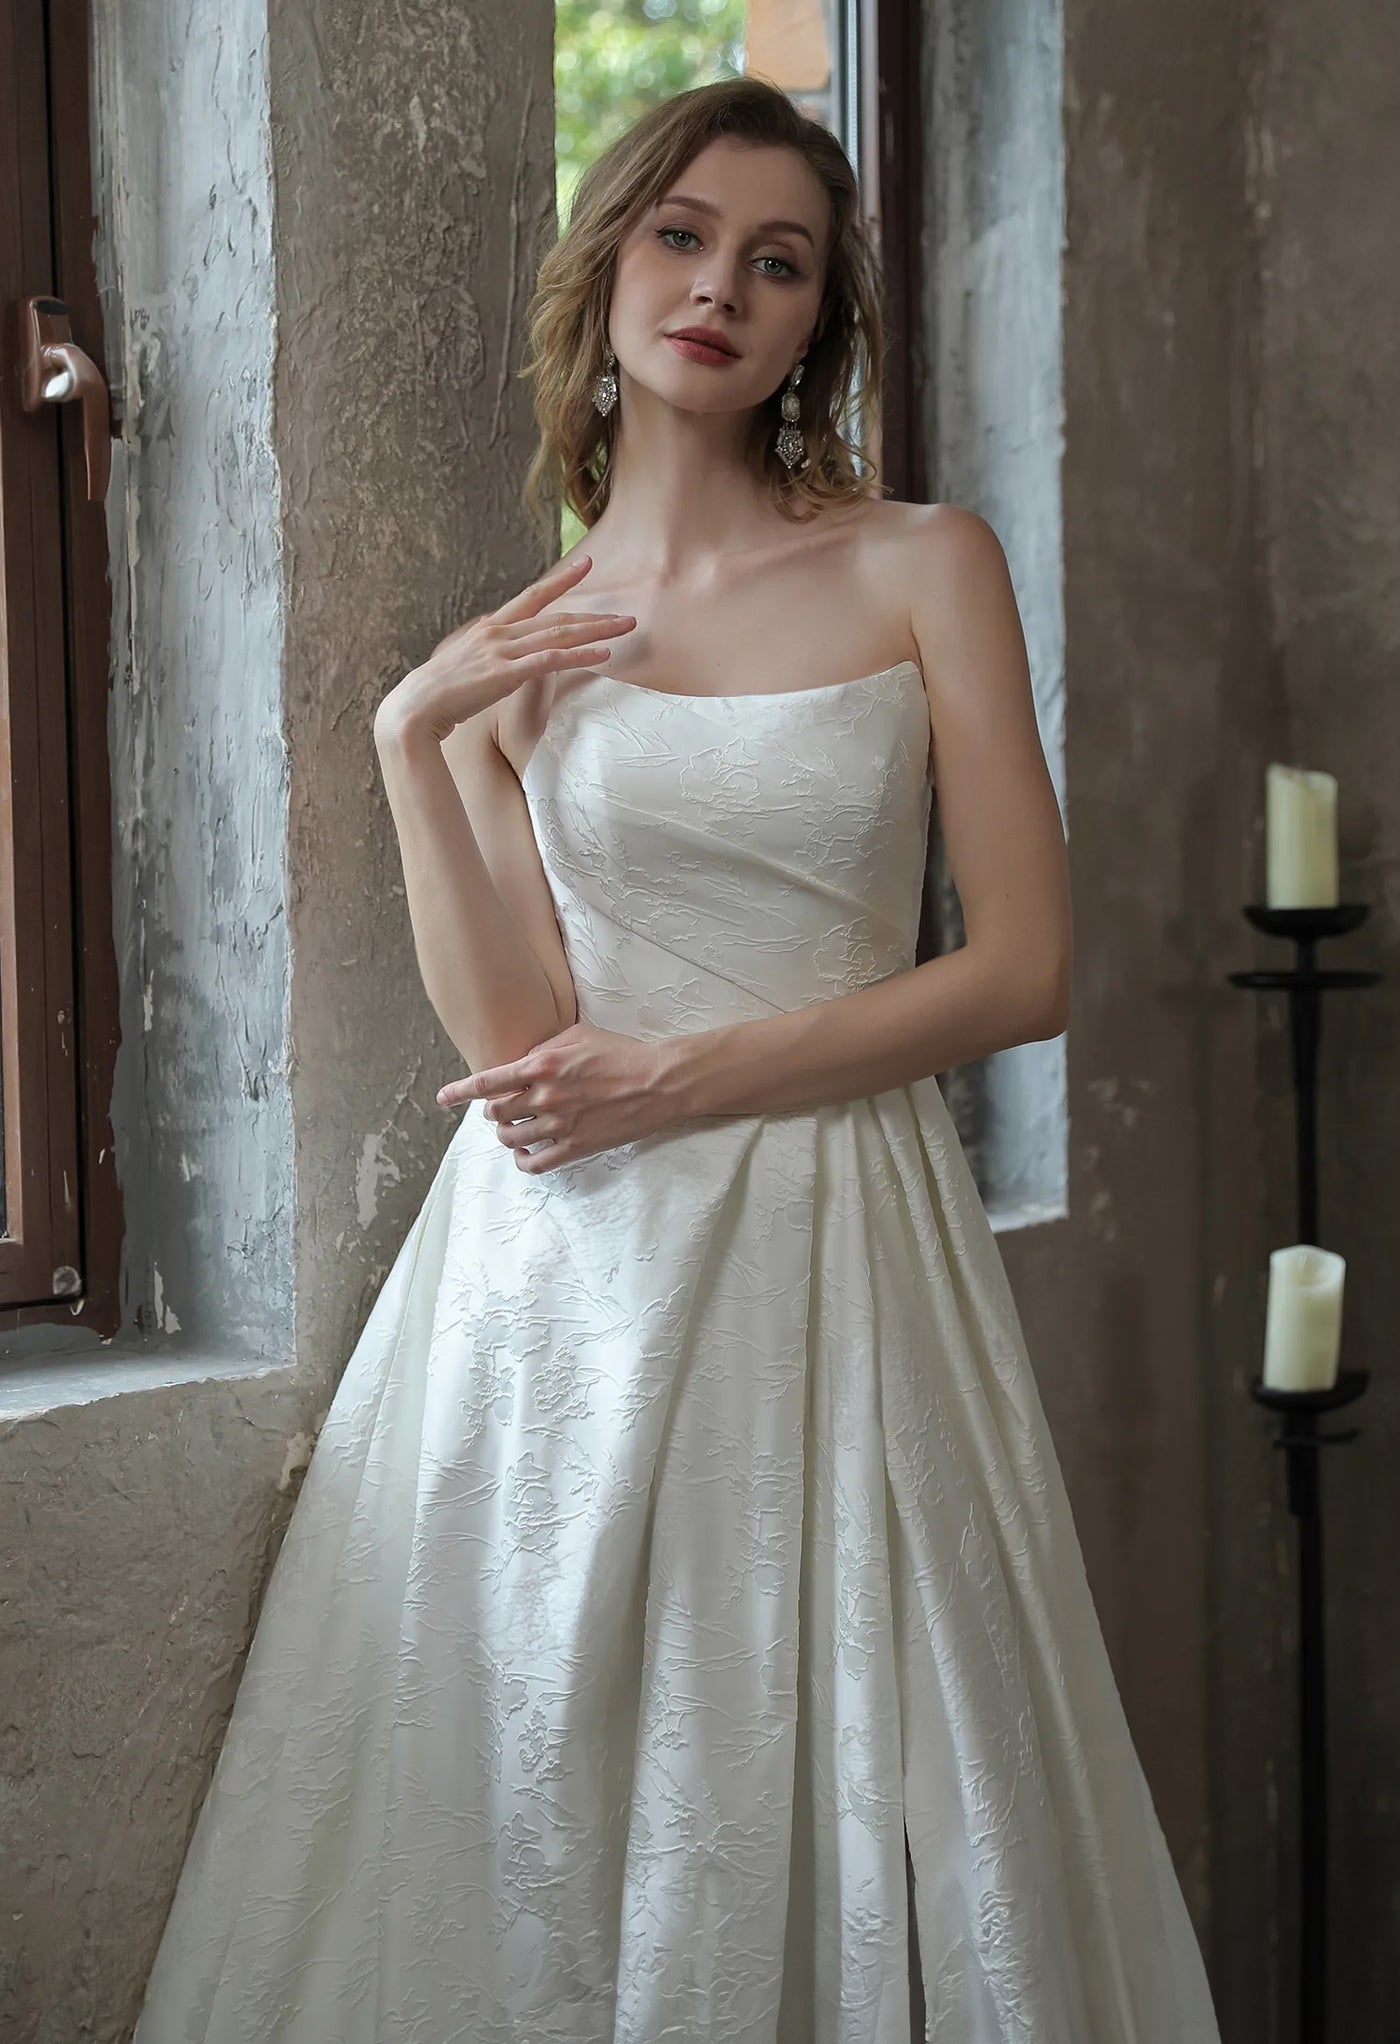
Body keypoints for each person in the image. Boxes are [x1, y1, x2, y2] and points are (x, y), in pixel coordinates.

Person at [133, 75, 1223, 2044]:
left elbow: (1028, 970)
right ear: (613, 260)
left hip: (834, 1239)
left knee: (867, 1753)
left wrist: (682, 1080)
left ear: (819, 325)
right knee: (531, 1764)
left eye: (776, 260)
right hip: (557, 1288)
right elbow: (523, 1055)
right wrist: (412, 735)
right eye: (681, 235)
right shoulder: (530, 640)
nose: (719, 283)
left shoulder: (919, 563)